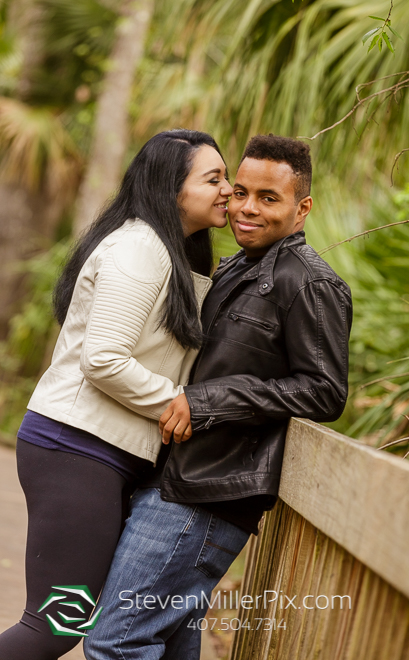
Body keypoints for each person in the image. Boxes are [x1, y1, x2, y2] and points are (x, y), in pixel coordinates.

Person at [84, 134, 352, 660]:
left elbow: (324, 390)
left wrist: (208, 402)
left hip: (208, 494)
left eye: (268, 198)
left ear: (303, 209)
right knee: (163, 639)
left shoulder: (310, 283)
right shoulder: (234, 268)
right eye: (242, 191)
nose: (246, 208)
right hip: (178, 477)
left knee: (116, 641)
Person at [0, 129, 233, 660]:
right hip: (75, 447)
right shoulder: (138, 249)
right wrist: (178, 402)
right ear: (173, 188)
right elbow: (103, 358)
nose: (228, 189)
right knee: (55, 625)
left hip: (101, 452)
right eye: (213, 178)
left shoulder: (175, 254)